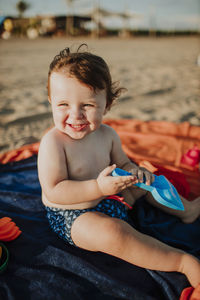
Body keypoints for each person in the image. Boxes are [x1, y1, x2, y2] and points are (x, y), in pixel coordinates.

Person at [37, 44, 200, 288]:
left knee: (149, 181)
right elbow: (55, 190)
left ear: (107, 104)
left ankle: (186, 211)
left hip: (114, 197)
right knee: (113, 233)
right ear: (50, 101)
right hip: (74, 215)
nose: (76, 115)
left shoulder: (107, 134)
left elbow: (122, 163)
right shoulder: (53, 142)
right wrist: (99, 188)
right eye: (63, 105)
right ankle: (181, 262)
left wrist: (135, 172)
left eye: (88, 105)